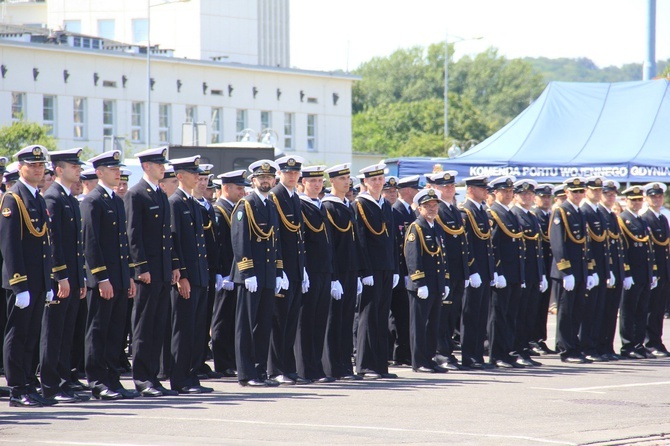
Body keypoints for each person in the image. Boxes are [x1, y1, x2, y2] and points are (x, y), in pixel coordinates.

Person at [81, 149, 137, 399]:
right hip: (103, 280)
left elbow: (123, 244)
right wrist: (101, 278)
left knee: (115, 332)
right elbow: (91, 243)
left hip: (119, 278)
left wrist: (129, 277)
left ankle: (112, 379)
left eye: (118, 169)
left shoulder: (115, 200)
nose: (118, 174)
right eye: (113, 170)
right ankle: (97, 381)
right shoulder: (93, 200)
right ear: (99, 173)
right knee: (99, 330)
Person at [1, 145, 54, 407]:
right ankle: (16, 388)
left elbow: (44, 244)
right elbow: (10, 245)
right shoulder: (14, 198)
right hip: (21, 282)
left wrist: (48, 281)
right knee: (18, 334)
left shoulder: (37, 197)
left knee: (32, 334)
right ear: (20, 167)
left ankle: (28, 384)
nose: (37, 169)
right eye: (32, 165)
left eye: (40, 165)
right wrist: (19, 284)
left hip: (37, 281)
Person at [124, 147, 180, 397]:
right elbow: (133, 236)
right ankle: (142, 379)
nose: (163, 168)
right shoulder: (136, 194)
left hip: (162, 272)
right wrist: (141, 268)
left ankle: (154, 377)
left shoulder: (159, 193)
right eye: (159, 165)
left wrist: (174, 266)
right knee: (144, 327)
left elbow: (167, 236)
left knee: (158, 326)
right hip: (148, 273)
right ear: (146, 166)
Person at [39, 148, 88, 404]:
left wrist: (80, 278)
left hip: (72, 278)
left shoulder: (67, 198)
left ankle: (63, 381)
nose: (78, 170)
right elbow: (54, 242)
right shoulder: (53, 198)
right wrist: (61, 276)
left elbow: (76, 246)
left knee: (66, 333)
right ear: (59, 169)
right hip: (60, 279)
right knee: (53, 332)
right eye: (73, 166)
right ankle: (50, 384)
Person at [232, 160, 284, 387]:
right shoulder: (246, 204)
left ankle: (260, 371)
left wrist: (280, 271)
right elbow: (240, 240)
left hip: (268, 274)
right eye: (261, 178)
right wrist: (247, 271)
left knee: (263, 325)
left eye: (269, 177)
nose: (265, 181)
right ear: (253, 181)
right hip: (250, 276)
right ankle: (246, 373)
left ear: (274, 180)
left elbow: (275, 241)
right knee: (246, 326)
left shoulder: (271, 204)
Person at [167, 156, 213, 394]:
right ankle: (180, 378)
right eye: (194, 173)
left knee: (196, 330)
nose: (199, 177)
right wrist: (182, 276)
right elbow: (174, 243)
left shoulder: (194, 203)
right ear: (181, 176)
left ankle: (192, 375)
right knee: (183, 330)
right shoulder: (175, 203)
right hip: (187, 278)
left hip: (199, 277)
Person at [353, 163, 400, 379]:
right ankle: (365, 365)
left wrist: (395, 268)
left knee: (381, 316)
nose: (378, 183)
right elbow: (361, 241)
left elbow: (392, 240)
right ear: (365, 182)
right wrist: (364, 271)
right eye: (373, 180)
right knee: (368, 316)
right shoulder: (361, 205)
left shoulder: (385, 205)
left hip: (386, 267)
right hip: (371, 269)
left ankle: (380, 365)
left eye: (380, 179)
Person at [268, 156, 309, 385]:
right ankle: (275, 369)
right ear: (280, 174)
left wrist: (302, 269)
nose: (292, 176)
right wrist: (279, 268)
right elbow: (276, 237)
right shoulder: (276, 195)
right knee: (279, 320)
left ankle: (288, 367)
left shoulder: (294, 197)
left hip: (295, 268)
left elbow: (298, 236)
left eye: (295, 172)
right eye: (288, 172)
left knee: (291, 320)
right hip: (282, 269)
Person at [425, 170, 470, 370]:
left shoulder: (453, 210)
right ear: (434, 189)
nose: (450, 188)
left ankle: (448, 352)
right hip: (446, 271)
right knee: (443, 316)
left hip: (458, 271)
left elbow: (461, 243)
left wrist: (466, 271)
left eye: (451, 185)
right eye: (444, 186)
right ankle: (441, 353)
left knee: (452, 315)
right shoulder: (439, 210)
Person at [322, 164, 362, 381]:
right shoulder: (329, 206)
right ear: (332, 182)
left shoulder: (348, 205)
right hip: (337, 271)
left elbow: (354, 242)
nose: (347, 182)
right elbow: (330, 245)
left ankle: (345, 365)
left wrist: (358, 273)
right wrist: (334, 277)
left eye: (348, 178)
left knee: (346, 320)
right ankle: (332, 366)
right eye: (342, 178)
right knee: (333, 320)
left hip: (350, 270)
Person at [295, 165, 335, 383]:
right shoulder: (301, 205)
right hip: (309, 269)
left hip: (324, 270)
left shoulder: (320, 206)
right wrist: (302, 269)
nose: (317, 185)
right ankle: (304, 368)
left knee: (320, 320)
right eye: (312, 181)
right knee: (306, 320)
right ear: (303, 184)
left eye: (320, 181)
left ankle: (316, 367)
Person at [403, 188, 450, 373]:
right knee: (419, 325)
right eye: (427, 206)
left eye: (434, 205)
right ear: (419, 208)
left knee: (433, 325)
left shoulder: (436, 227)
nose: (432, 209)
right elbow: (412, 257)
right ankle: (419, 361)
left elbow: (442, 256)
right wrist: (419, 282)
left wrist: (444, 281)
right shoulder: (416, 227)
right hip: (422, 286)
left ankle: (429, 359)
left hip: (436, 285)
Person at [550, 177, 594, 364]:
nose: (577, 195)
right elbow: (558, 243)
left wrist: (589, 270)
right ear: (567, 192)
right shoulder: (561, 211)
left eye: (580, 192)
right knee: (566, 312)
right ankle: (566, 349)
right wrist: (566, 271)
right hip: (567, 272)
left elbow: (586, 244)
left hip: (580, 270)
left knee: (577, 311)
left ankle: (574, 346)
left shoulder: (580, 212)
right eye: (574, 192)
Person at [486, 176, 526, 369]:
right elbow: (494, 247)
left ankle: (507, 352)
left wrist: (521, 274)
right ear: (496, 193)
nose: (509, 195)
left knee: (511, 316)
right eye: (505, 192)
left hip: (514, 274)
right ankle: (496, 354)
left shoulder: (511, 214)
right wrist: (498, 271)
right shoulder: (494, 214)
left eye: (511, 192)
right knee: (498, 316)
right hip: (503, 274)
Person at [210, 170, 247, 377]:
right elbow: (220, 246)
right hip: (225, 274)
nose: (243, 192)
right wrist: (221, 273)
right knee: (222, 319)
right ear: (227, 188)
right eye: (239, 188)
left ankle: (231, 359)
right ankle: (223, 363)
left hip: (235, 273)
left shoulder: (235, 209)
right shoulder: (219, 210)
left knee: (233, 318)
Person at [460, 176, 495, 370]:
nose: (486, 191)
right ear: (471, 189)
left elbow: (487, 245)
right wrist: (472, 270)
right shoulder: (466, 211)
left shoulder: (481, 210)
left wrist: (492, 270)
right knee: (471, 315)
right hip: (475, 273)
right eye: (482, 188)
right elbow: (467, 245)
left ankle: (478, 355)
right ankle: (468, 356)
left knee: (481, 315)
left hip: (485, 272)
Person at [510, 179, 547, 367]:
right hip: (522, 273)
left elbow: (538, 249)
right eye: (523, 194)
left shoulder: (532, 216)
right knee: (519, 315)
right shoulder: (515, 215)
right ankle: (517, 350)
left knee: (529, 315)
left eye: (530, 194)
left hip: (533, 274)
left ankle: (524, 349)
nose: (527, 197)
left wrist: (542, 274)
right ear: (515, 196)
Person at [192, 164, 223, 379]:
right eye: (200, 179)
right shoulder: (188, 203)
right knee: (192, 320)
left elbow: (214, 242)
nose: (203, 184)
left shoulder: (206, 205)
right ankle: (192, 362)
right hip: (193, 270)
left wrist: (218, 270)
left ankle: (200, 359)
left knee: (204, 318)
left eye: (206, 180)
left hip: (208, 269)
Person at [618, 186, 655, 359]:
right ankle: (628, 345)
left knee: (641, 310)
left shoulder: (641, 220)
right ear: (626, 201)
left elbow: (649, 249)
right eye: (633, 200)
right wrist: (626, 272)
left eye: (639, 199)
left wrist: (652, 271)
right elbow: (622, 250)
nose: (637, 203)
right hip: (632, 273)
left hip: (644, 274)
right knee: (628, 311)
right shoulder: (622, 220)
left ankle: (639, 344)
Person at [389, 175, 420, 367]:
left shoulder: (411, 212)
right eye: (415, 189)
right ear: (407, 191)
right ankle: (399, 353)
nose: (417, 193)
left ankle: (406, 352)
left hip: (409, 271)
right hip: (400, 271)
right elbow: (397, 244)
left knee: (406, 314)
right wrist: (401, 271)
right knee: (398, 314)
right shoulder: (396, 211)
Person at [579, 176, 611, 362]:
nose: (597, 193)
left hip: (601, 269)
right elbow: (586, 244)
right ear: (587, 191)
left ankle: (596, 346)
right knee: (588, 311)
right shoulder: (585, 211)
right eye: (594, 190)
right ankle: (587, 346)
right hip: (590, 269)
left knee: (598, 310)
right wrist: (590, 269)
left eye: (600, 190)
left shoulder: (599, 211)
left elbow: (605, 245)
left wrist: (608, 270)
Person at [639, 183, 670, 357]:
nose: (657, 199)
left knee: (658, 309)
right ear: (647, 199)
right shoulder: (645, 218)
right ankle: (649, 342)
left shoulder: (662, 218)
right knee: (650, 309)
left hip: (664, 270)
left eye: (659, 196)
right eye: (653, 197)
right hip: (653, 270)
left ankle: (657, 341)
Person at [597, 180, 627, 360]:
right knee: (600, 311)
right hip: (602, 270)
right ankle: (598, 346)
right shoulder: (598, 213)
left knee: (610, 312)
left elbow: (616, 247)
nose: (610, 197)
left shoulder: (612, 216)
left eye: (613, 195)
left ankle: (607, 346)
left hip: (613, 270)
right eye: (607, 194)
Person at [529, 184, 556, 355]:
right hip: (537, 266)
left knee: (543, 306)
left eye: (548, 197)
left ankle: (540, 338)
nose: (546, 200)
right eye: (542, 197)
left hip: (548, 265)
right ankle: (531, 339)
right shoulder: (535, 215)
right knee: (534, 306)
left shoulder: (550, 215)